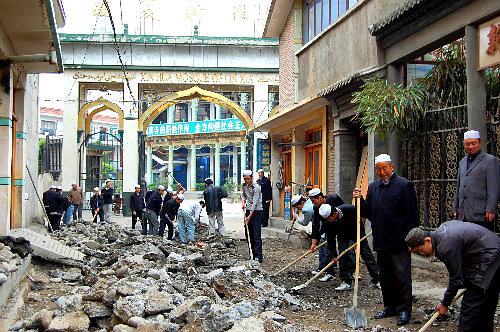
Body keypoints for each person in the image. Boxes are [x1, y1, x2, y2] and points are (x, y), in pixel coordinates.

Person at [353, 153, 418, 326]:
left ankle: (404, 310)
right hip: (381, 240)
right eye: (379, 169)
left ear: (392, 167)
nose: (382, 172)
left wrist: (412, 240)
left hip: (400, 241)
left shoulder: (404, 186)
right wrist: (359, 200)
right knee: (385, 277)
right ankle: (390, 306)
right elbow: (369, 212)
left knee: (402, 276)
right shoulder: (373, 187)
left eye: (385, 168)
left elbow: (412, 215)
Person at [406, 221, 500, 332]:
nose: (422, 254)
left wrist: (445, 303)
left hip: (489, 259)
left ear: (428, 240)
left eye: (421, 250)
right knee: (484, 310)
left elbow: (456, 278)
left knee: (470, 314)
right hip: (492, 254)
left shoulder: (444, 246)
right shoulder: (442, 231)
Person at [318, 203, 380, 291]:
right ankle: (346, 281)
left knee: (367, 255)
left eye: (329, 219)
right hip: (343, 235)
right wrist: (334, 255)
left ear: (334, 213)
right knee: (343, 256)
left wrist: (360, 238)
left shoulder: (350, 209)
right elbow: (331, 239)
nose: (328, 221)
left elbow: (362, 218)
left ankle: (377, 279)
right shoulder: (328, 222)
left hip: (357, 232)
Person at [453, 130, 500, 231]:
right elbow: (459, 187)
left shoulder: (490, 161)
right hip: (463, 214)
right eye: (467, 144)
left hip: (481, 215)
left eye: (474, 143)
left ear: (480, 143)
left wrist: (491, 210)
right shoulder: (462, 161)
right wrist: (455, 208)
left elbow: (494, 188)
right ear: (464, 145)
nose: (471, 146)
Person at [291, 194, 336, 281]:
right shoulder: (309, 202)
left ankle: (326, 270)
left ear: (302, 202)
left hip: (322, 227)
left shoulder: (307, 209)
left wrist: (297, 218)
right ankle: (328, 266)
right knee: (326, 247)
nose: (300, 209)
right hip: (322, 226)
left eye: (299, 207)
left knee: (325, 248)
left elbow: (305, 223)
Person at [308, 188, 345, 282]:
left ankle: (349, 272)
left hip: (342, 226)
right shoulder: (316, 208)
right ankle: (330, 272)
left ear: (320, 198)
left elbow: (343, 211)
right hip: (329, 227)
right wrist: (314, 243)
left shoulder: (334, 199)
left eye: (313, 201)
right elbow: (315, 225)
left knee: (345, 250)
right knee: (329, 248)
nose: (313, 203)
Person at [241, 170, 263, 263]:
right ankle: (252, 254)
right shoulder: (244, 186)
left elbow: (255, 202)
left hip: (257, 211)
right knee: (248, 233)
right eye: (245, 179)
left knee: (256, 233)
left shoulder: (256, 187)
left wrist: (249, 216)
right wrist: (243, 202)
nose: (247, 181)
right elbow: (243, 195)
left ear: (252, 178)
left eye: (248, 179)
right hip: (248, 210)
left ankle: (258, 256)